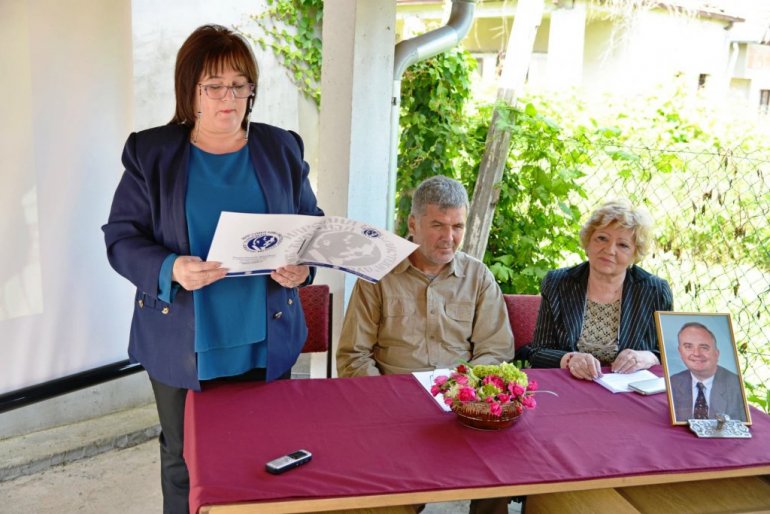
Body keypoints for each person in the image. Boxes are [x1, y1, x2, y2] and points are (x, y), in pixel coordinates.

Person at [102, 24, 323, 513]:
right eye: (215, 85)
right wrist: (170, 267)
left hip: (265, 334)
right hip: (182, 339)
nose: (230, 97)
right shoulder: (151, 153)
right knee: (185, 462)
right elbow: (120, 237)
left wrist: (302, 268)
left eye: (240, 85)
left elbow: (310, 224)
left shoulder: (282, 148)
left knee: (265, 456)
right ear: (190, 91)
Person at [336, 175, 513, 514]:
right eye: (437, 225)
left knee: (499, 467)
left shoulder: (478, 277)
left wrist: (461, 391)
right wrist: (389, 401)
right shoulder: (378, 276)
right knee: (390, 498)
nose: (449, 237)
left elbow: (496, 350)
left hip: (462, 407)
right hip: (393, 408)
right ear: (413, 224)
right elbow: (353, 355)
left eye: (457, 226)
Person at [523, 200, 673, 379]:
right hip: (570, 384)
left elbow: (670, 353)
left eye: (623, 245)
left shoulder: (655, 291)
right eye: (602, 238)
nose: (609, 250)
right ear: (588, 242)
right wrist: (570, 359)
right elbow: (538, 352)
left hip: (629, 390)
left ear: (635, 253)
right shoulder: (558, 283)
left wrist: (647, 357)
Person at [670, 322, 746, 422]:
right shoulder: (673, 382)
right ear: (680, 352)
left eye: (704, 347)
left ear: (716, 353)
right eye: (688, 347)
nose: (696, 353)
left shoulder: (736, 386)